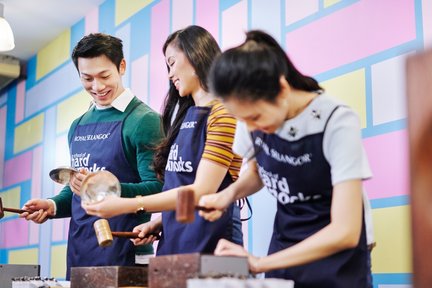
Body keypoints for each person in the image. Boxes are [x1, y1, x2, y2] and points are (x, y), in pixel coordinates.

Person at [198, 30, 372, 288]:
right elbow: (258, 172)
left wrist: (259, 263)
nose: (250, 128)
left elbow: (345, 231)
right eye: (242, 119)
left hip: (336, 257)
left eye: (255, 118)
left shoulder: (336, 121)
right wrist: (227, 195)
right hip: (285, 244)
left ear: (281, 88)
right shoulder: (251, 121)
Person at [82, 25, 244, 255]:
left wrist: (128, 204)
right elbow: (182, 187)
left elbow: (201, 191)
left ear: (195, 55)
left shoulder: (224, 114)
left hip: (215, 239)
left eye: (172, 63)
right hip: (177, 236)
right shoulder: (185, 117)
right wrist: (159, 222)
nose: (169, 74)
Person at [19, 33, 163, 279]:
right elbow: (76, 191)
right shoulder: (77, 125)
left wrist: (108, 188)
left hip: (125, 248)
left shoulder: (144, 120)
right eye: (87, 78)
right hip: (80, 247)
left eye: (104, 76)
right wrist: (53, 205)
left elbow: (159, 188)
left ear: (122, 66)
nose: (97, 87)